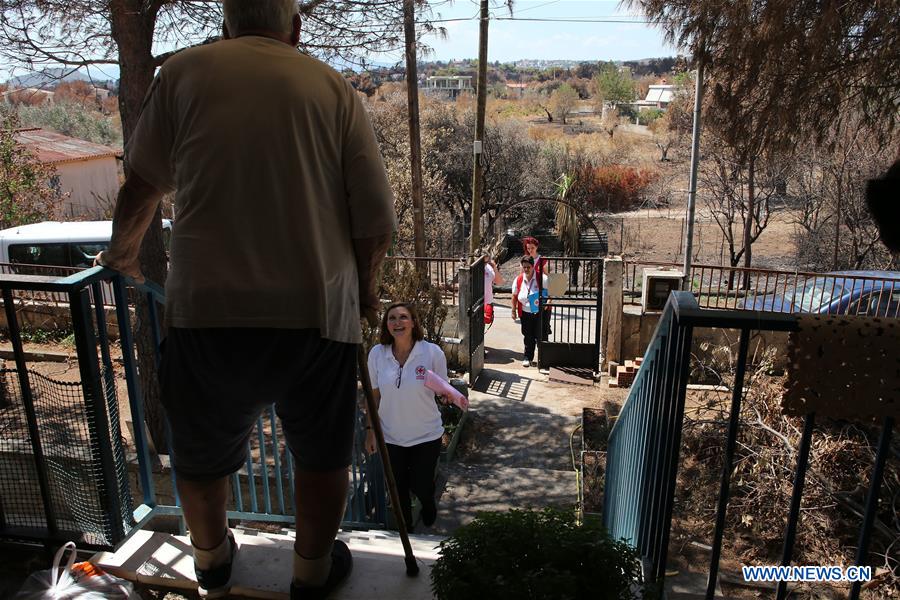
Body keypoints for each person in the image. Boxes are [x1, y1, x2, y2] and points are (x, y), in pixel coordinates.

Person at [94, 1, 397, 598]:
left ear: (227, 25)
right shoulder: (331, 87)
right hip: (315, 312)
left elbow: (141, 186)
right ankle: (311, 572)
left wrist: (121, 256)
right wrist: (364, 292)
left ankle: (210, 560)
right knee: (320, 454)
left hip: (208, 309)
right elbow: (375, 220)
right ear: (296, 26)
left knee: (201, 453)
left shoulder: (182, 73)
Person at [365, 303, 448, 532]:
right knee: (396, 488)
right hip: (390, 437)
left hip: (426, 435)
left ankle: (428, 502)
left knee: (421, 484)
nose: (397, 322)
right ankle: (406, 531)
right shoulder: (377, 354)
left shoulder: (431, 353)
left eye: (403, 317)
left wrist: (448, 397)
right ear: (386, 324)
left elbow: (443, 389)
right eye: (392, 318)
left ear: (413, 322)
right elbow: (373, 396)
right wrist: (370, 431)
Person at [511, 256, 548, 368]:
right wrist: (513, 310)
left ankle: (543, 359)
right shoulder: (518, 279)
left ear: (533, 266)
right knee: (528, 336)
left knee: (540, 335)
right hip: (525, 312)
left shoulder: (542, 278)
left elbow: (549, 293)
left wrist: (546, 304)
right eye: (524, 267)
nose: (526, 269)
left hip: (539, 312)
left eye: (528, 267)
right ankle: (528, 357)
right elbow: (514, 296)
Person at [521, 236, 552, 341]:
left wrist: (550, 298)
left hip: (542, 294)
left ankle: (543, 351)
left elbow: (550, 277)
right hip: (530, 296)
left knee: (542, 328)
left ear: (537, 247)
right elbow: (521, 277)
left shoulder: (542, 260)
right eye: (528, 248)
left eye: (532, 248)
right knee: (529, 329)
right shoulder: (525, 260)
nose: (530, 250)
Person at [482, 253, 504, 326]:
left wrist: (494, 267)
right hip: (476, 303)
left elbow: (499, 282)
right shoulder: (473, 268)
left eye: (487, 262)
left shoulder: (489, 268)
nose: (485, 264)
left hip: (487, 303)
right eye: (483, 262)